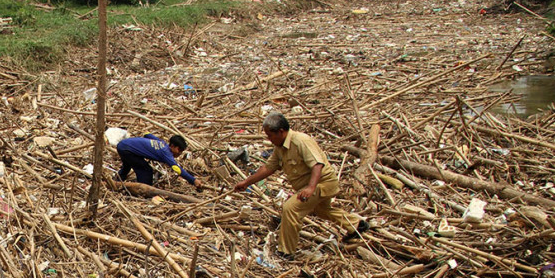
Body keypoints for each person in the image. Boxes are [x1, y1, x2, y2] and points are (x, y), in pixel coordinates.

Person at [232, 112, 369, 260]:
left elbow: (317, 164)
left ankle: (286, 251)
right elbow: (268, 168)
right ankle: (356, 225)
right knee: (322, 210)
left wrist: (310, 188)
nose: (269, 139)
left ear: (281, 132)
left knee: (290, 208)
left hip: (322, 183)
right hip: (311, 186)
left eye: (270, 135)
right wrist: (246, 183)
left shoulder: (300, 141)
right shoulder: (280, 147)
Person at [115, 134, 200, 189]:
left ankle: (117, 181)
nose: (179, 153)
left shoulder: (162, 143)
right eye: (179, 150)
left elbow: (148, 135)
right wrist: (193, 180)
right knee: (145, 170)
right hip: (127, 150)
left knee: (127, 165)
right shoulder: (166, 153)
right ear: (172, 146)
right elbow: (177, 169)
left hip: (123, 145)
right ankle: (143, 189)